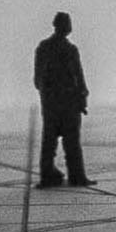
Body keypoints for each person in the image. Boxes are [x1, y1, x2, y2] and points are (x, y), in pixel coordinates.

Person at [32, 10, 90, 188]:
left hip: (51, 104)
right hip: (68, 103)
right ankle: (76, 176)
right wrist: (81, 95)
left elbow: (37, 79)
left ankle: (48, 176)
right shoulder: (70, 50)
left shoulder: (44, 47)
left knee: (49, 142)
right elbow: (79, 78)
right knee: (71, 141)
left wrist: (47, 96)